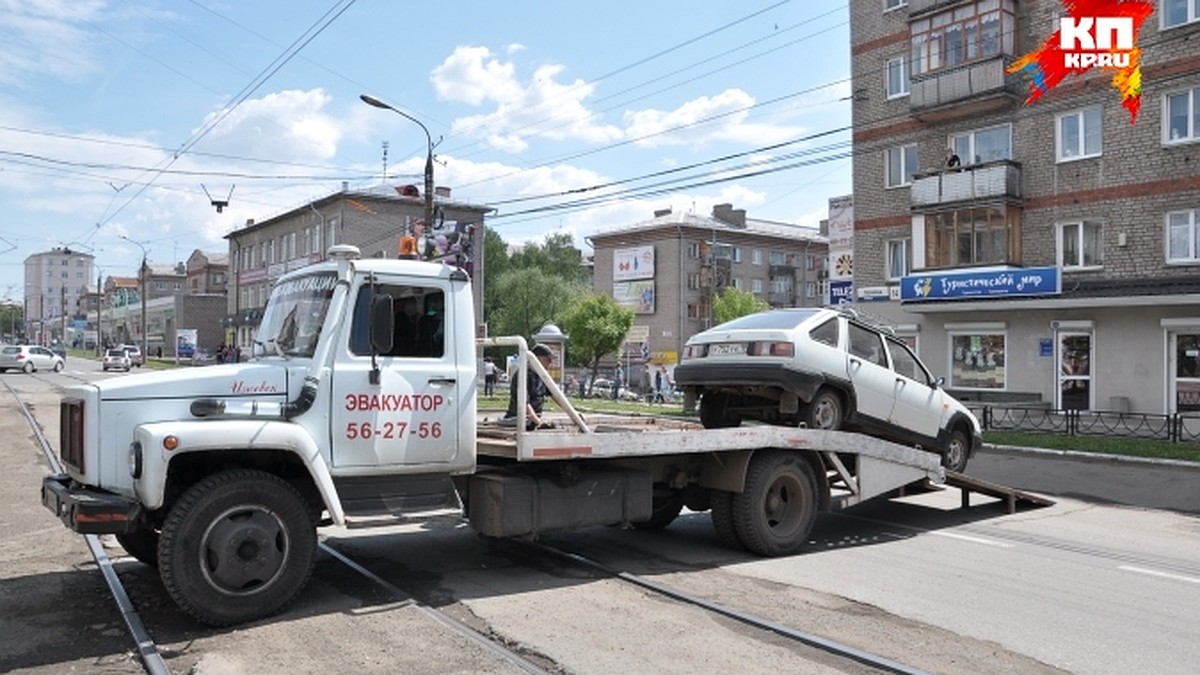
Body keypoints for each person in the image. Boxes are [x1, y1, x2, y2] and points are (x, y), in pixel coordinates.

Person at [506, 343, 554, 429]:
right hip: (517, 421)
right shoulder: (522, 375)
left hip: (533, 421)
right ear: (537, 359)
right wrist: (538, 422)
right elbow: (524, 403)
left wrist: (573, 414)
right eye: (548, 359)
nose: (551, 362)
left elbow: (555, 395)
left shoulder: (542, 375)